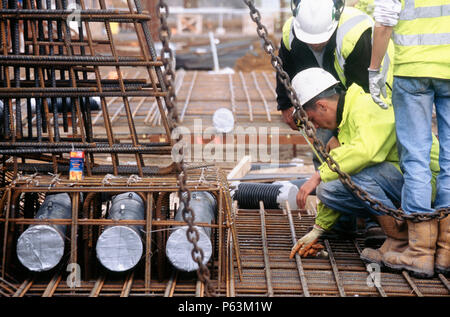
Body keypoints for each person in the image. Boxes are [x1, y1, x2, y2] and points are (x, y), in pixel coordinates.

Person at [288, 68, 441, 276]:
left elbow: (366, 152)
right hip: (401, 180)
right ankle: (399, 233)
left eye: (313, 119)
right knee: (330, 190)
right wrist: (319, 228)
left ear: (322, 105)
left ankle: (398, 240)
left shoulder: (366, 106)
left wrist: (318, 175)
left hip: (428, 183)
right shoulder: (348, 118)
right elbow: (346, 178)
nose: (316, 125)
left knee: (350, 174)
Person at [278, 0, 394, 242]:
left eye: (320, 40)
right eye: (310, 40)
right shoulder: (293, 32)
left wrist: (339, 139)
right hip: (330, 98)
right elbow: (285, 68)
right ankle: (341, 220)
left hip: (374, 95)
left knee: (357, 162)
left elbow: (363, 93)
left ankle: (376, 221)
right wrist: (285, 104)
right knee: (323, 147)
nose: (315, 44)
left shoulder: (356, 33)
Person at [367, 0, 450, 277]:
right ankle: (446, 251)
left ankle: (420, 252)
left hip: (412, 70)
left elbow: (384, 22)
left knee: (416, 158)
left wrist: (374, 69)